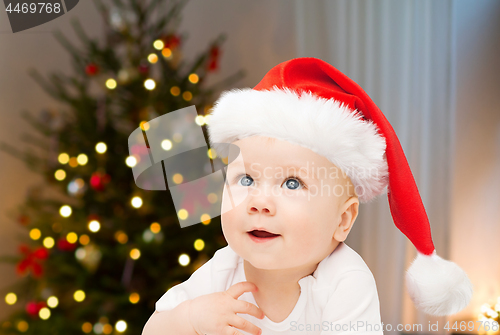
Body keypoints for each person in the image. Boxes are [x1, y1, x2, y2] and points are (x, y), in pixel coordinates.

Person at [142, 57, 472, 335]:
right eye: (246, 178)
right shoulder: (224, 268)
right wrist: (190, 320)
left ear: (342, 220)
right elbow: (152, 329)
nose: (259, 202)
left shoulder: (345, 281)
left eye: (292, 184)